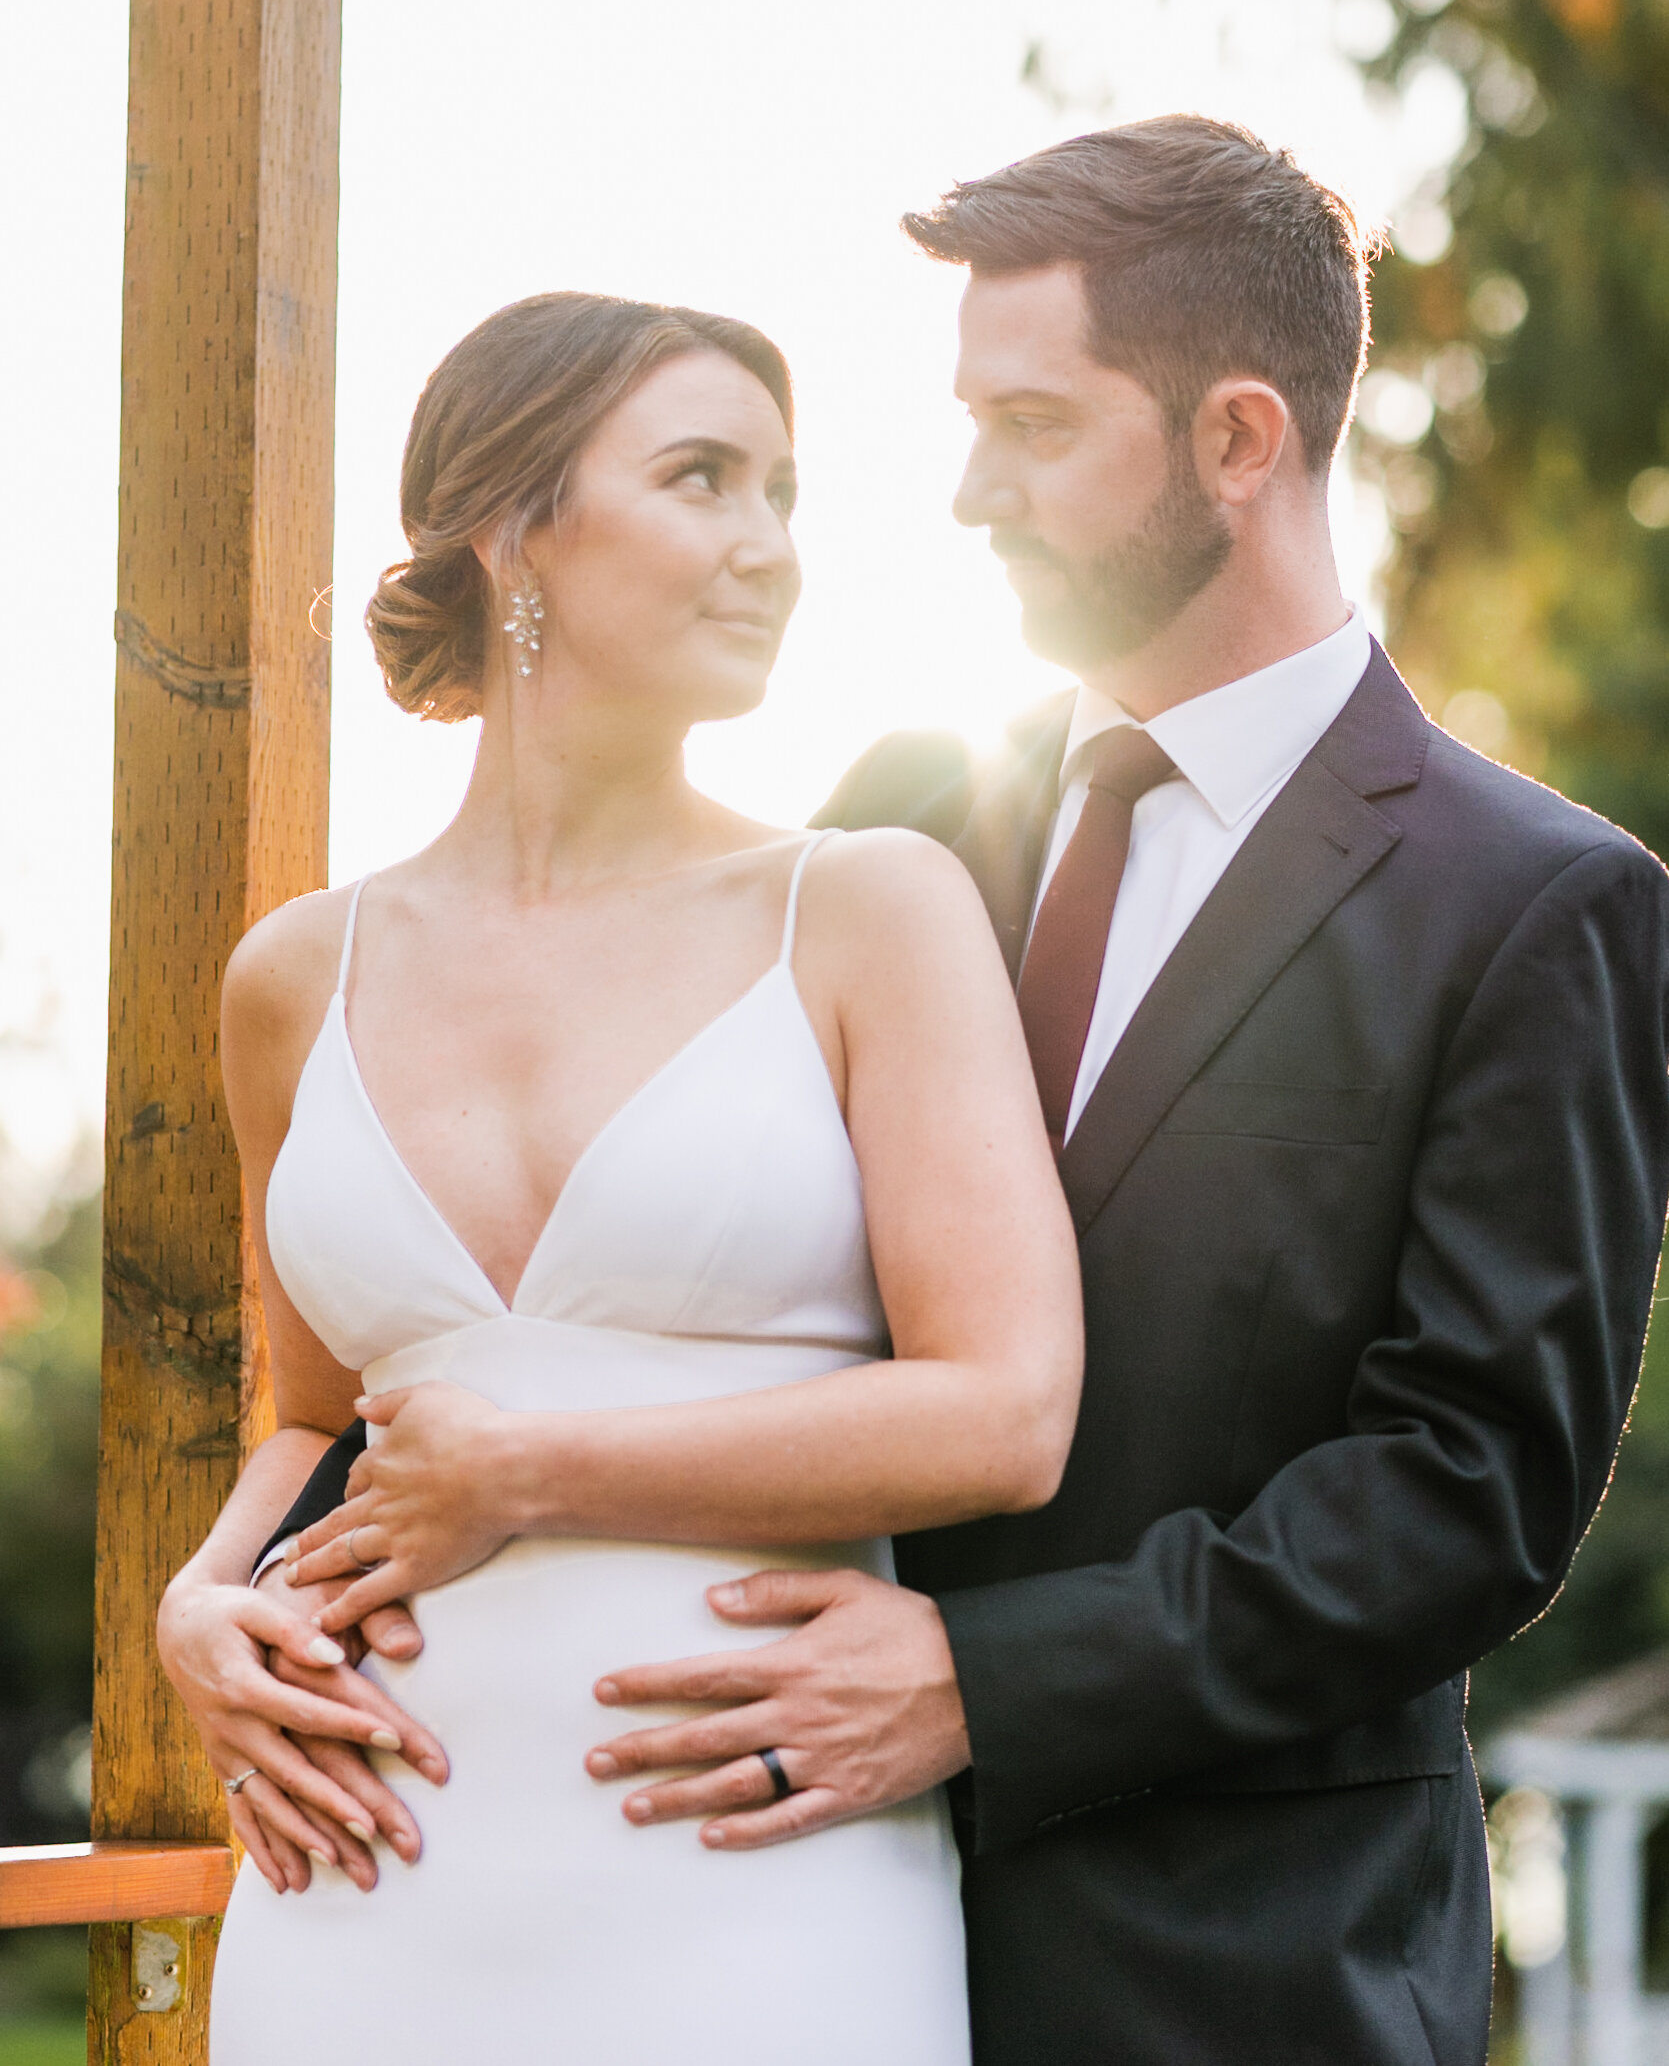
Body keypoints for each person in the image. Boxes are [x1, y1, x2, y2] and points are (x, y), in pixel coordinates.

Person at [172, 118, 1669, 2066]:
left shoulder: (1530, 902)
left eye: (1029, 426)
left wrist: (984, 1677)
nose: (961, 491)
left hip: (1219, 1952)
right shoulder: (907, 809)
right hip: (694, 1850)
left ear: (1236, 437)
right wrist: (215, 1598)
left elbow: (1467, 1496)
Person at [160, 290, 1084, 2066]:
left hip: (753, 1872)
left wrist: (545, 1464)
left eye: (784, 494)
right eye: (704, 480)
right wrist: (201, 1602)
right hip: (356, 1889)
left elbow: (1007, 1409)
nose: (771, 548)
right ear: (518, 529)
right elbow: (315, 1419)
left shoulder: (865, 907)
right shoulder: (296, 977)